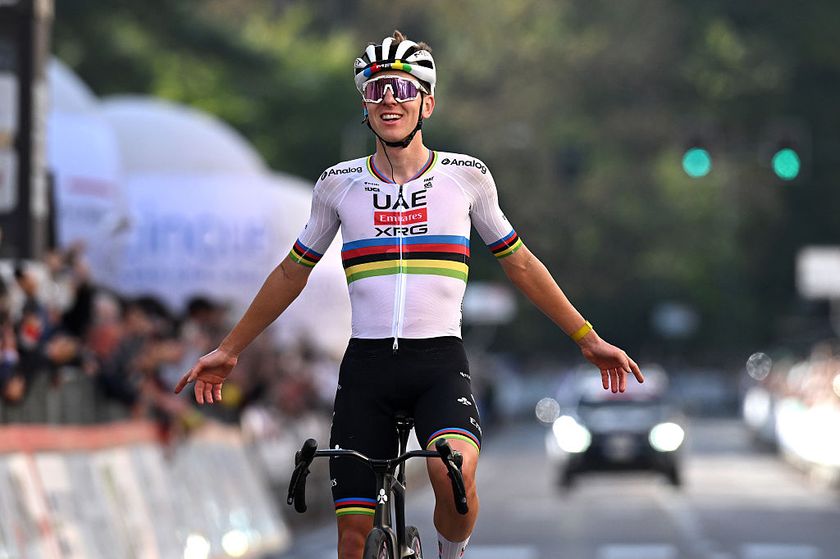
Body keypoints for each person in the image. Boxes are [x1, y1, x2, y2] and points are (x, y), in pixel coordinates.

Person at [175, 30, 645, 559]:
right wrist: (229, 349)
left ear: (428, 101)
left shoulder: (467, 178)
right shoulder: (338, 184)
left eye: (402, 88)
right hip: (366, 370)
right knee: (352, 538)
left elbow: (520, 264)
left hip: (438, 363)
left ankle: (450, 554)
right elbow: (291, 272)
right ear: (364, 106)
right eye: (377, 91)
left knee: (454, 478)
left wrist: (587, 338)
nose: (390, 100)